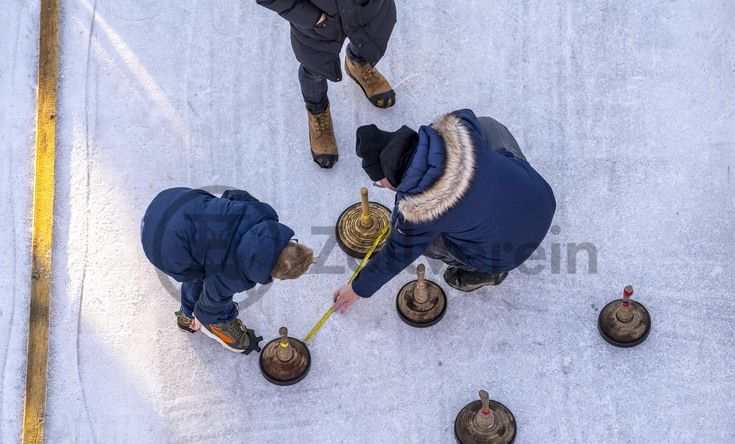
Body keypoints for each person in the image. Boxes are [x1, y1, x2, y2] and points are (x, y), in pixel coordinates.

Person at [332, 109, 557, 313]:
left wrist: (357, 288)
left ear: (387, 178)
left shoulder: (420, 213)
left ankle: (489, 273)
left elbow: (395, 256)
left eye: (381, 184)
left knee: (425, 243)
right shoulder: (458, 126)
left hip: (507, 252)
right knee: (487, 125)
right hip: (541, 198)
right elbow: (465, 120)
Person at [141, 188, 315, 354]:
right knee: (199, 276)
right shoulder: (233, 274)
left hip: (174, 200)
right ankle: (187, 317)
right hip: (159, 244)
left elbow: (234, 195)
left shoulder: (262, 213)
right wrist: (202, 317)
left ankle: (202, 245)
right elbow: (211, 304)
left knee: (206, 256)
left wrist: (222, 216)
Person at [256, 0, 397, 168]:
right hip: (317, 21)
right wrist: (312, 17)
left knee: (367, 37)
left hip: (366, 7)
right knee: (315, 67)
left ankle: (357, 63)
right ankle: (317, 109)